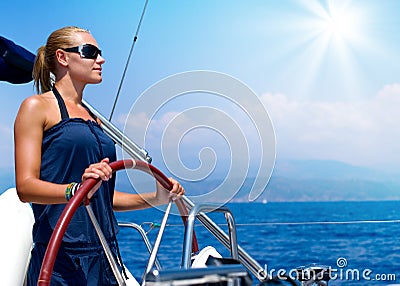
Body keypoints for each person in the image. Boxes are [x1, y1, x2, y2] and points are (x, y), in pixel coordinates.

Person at [14, 26, 185, 285]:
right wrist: (75, 190)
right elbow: (26, 187)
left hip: (105, 255)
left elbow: (103, 197)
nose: (101, 60)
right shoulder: (37, 107)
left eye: (100, 53)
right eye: (90, 52)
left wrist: (156, 198)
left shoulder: (95, 121)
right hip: (60, 257)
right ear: (63, 58)